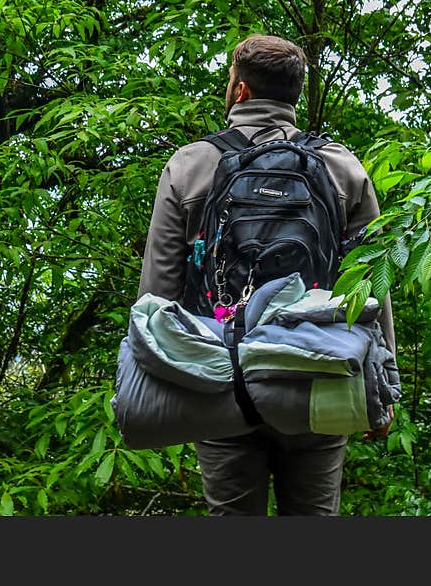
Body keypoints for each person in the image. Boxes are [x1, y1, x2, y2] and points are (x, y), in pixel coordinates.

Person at [137, 34, 396, 515]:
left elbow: (158, 293)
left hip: (219, 376)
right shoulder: (343, 169)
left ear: (239, 91)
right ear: (294, 95)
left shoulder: (191, 166)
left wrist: (151, 389)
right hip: (321, 376)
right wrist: (384, 385)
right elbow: (372, 288)